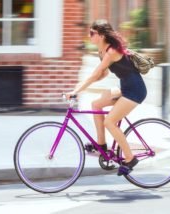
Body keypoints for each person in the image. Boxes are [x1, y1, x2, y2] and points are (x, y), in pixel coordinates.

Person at [65, 19, 147, 176]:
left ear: (101, 35)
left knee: (110, 122)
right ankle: (101, 145)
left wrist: (76, 91)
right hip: (124, 88)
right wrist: (83, 86)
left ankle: (130, 159)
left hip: (135, 90)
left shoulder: (111, 52)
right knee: (96, 104)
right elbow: (102, 74)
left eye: (92, 33)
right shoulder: (101, 52)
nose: (89, 36)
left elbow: (95, 74)